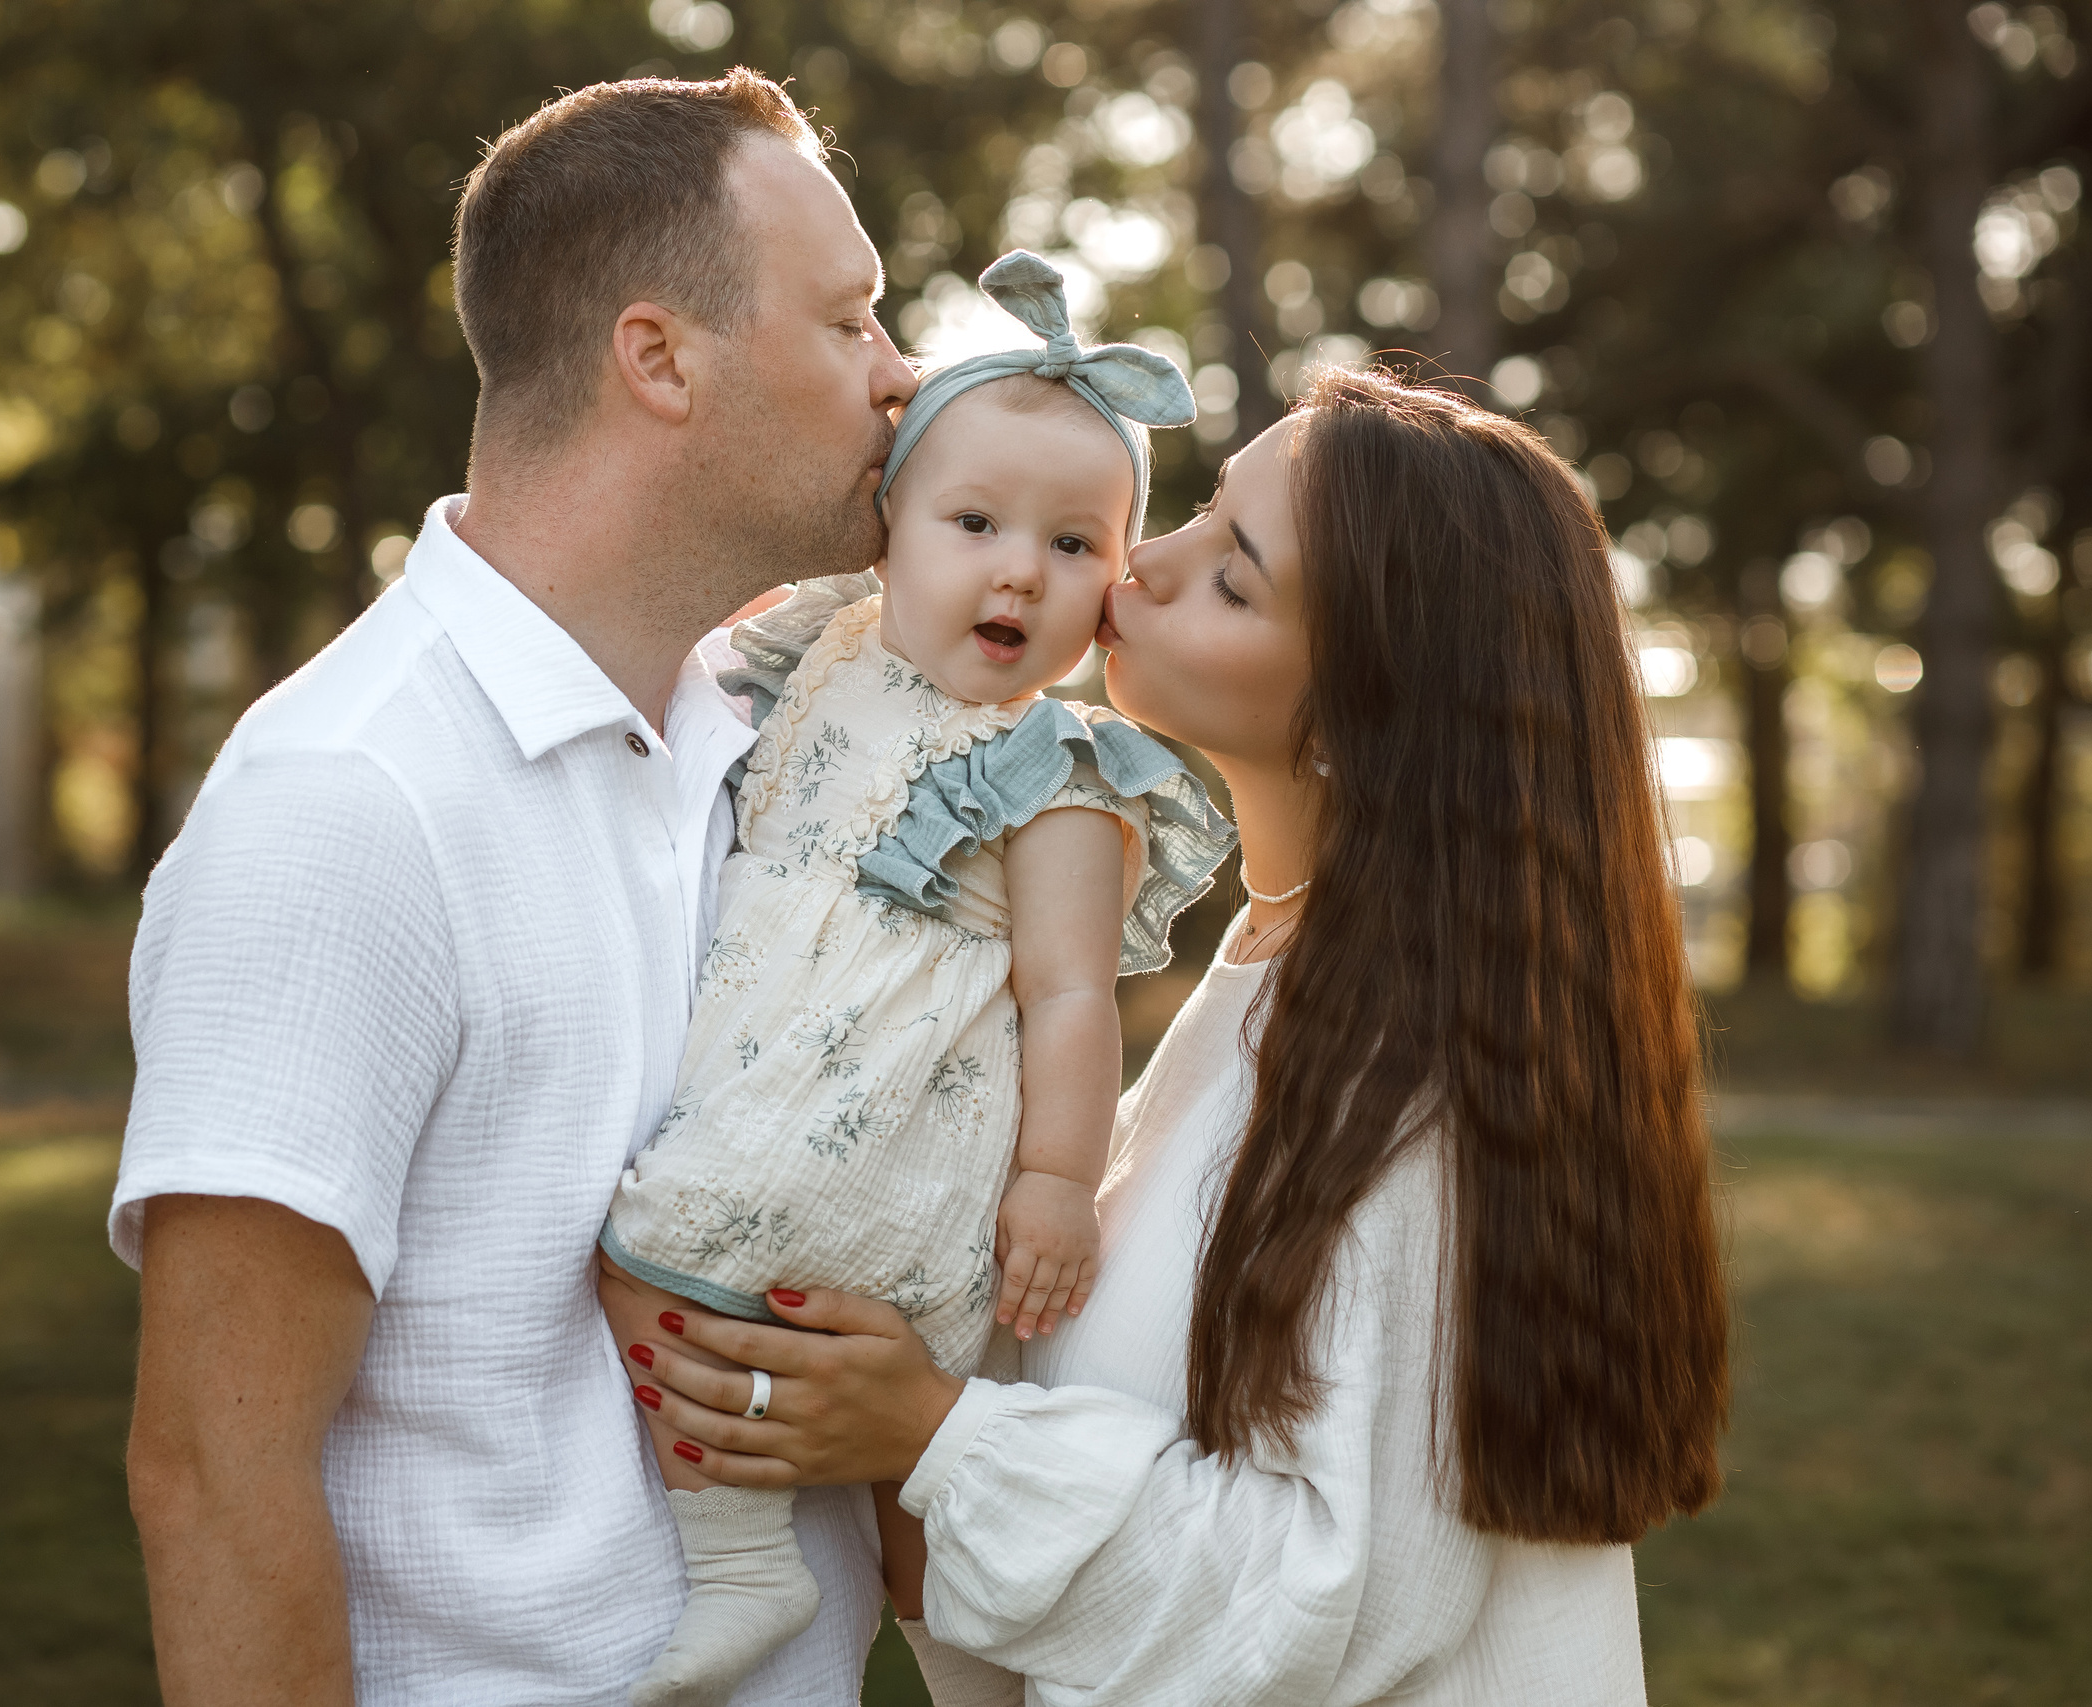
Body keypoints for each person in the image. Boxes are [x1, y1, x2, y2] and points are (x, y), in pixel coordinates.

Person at [623, 368, 1733, 1705]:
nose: (1140, 561)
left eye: (1233, 577)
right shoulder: (1284, 970)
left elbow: (1328, 1600)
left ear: (1367, 720)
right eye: (1204, 510)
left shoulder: (1429, 1098)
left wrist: (932, 1437)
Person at [109, 71, 919, 1704]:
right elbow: (212, 1473)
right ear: (658, 357)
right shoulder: (351, 806)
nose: (905, 375)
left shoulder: (749, 735)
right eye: (850, 322)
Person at [598, 252, 1230, 1707]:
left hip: (896, 1119)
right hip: (775, 1065)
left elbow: (1074, 997)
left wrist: (1056, 1183)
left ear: (1113, 586)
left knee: (654, 1246)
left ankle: (904, 1638)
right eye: (974, 522)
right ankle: (752, 1552)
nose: (1021, 567)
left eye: (1078, 546)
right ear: (887, 532)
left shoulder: (1057, 768)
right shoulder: (820, 653)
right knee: (700, 1298)